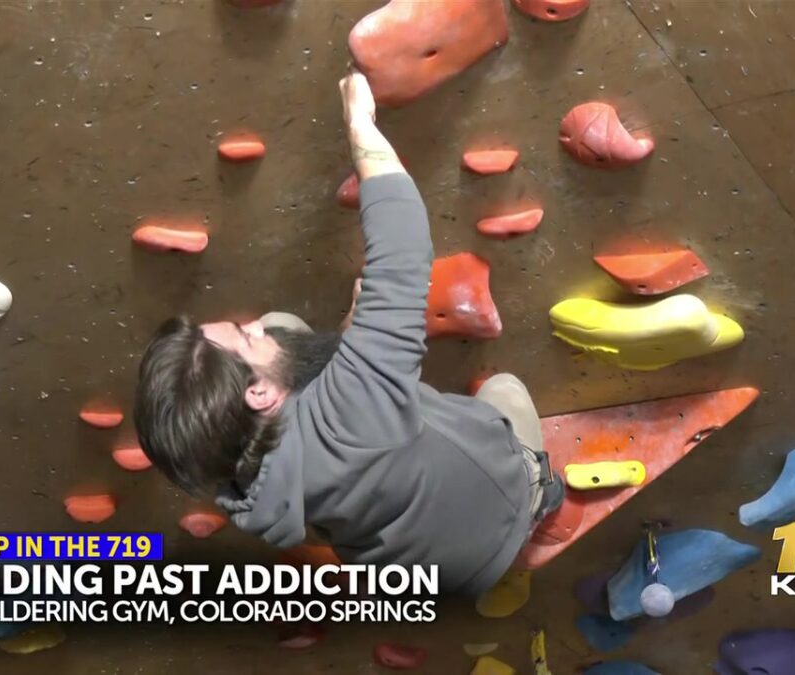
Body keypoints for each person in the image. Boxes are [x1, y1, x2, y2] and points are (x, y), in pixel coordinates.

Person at [133, 71, 563, 595]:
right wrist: (360, 120)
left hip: (422, 575)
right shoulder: (355, 409)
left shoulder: (242, 483)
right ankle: (541, 494)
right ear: (259, 391)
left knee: (285, 330)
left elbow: (334, 411)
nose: (250, 326)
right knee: (505, 391)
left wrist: (352, 337)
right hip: (497, 514)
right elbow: (402, 245)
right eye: (244, 338)